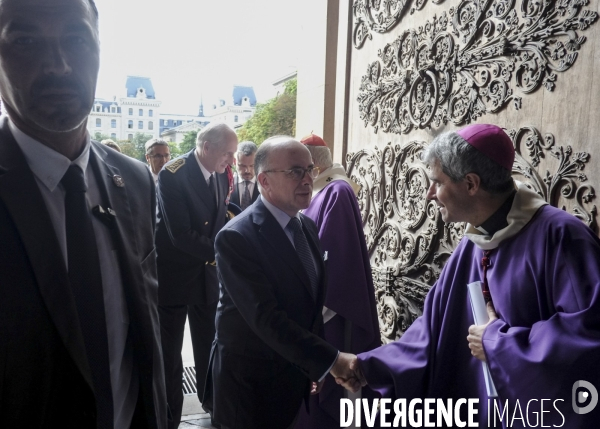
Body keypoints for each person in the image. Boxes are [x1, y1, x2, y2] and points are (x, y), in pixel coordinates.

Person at [337, 124, 600, 427]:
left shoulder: (561, 237)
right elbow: (434, 330)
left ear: (471, 184)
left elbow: (588, 341)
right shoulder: (472, 244)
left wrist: (499, 344)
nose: (429, 195)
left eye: (437, 182)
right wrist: (367, 367)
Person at [0, 0, 167, 427]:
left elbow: (140, 332)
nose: (57, 65)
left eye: (75, 39)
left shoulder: (138, 181)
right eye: (25, 40)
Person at [203, 136, 358, 429]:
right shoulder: (236, 237)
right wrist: (330, 361)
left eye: (310, 169)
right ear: (264, 180)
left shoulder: (306, 226)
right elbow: (266, 318)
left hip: (292, 378)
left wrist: (313, 367)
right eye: (295, 171)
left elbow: (309, 305)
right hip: (249, 389)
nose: (308, 178)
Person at [155, 122, 238, 429]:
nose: (231, 159)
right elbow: (182, 235)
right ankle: (169, 417)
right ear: (207, 147)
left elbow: (218, 223)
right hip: (174, 279)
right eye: (227, 152)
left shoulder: (219, 174)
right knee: (170, 357)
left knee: (210, 348)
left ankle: (214, 408)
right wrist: (225, 254)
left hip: (206, 278)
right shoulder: (172, 174)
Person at [295, 134, 381, 428]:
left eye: (299, 169)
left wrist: (309, 315)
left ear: (313, 168)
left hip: (332, 318)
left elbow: (337, 265)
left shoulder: (336, 192)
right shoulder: (317, 193)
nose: (299, 179)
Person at [230, 140, 259, 210]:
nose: (247, 171)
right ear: (234, 161)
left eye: (252, 166)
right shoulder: (226, 183)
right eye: (242, 166)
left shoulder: (266, 184)